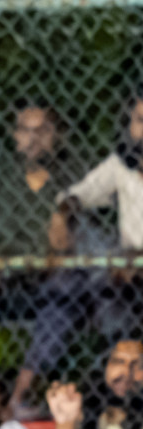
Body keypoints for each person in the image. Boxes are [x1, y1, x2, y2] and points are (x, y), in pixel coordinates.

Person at [0, 100, 81, 415]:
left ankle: (21, 394)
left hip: (49, 280)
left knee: (66, 290)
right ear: (14, 135)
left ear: (58, 135)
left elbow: (89, 238)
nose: (33, 138)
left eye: (43, 130)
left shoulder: (75, 173)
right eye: (25, 130)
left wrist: (63, 237)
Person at [50, 91, 143, 402]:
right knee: (107, 292)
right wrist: (62, 214)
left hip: (135, 263)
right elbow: (80, 193)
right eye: (141, 120)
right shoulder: (121, 165)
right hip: (129, 276)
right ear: (129, 125)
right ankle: (116, 396)